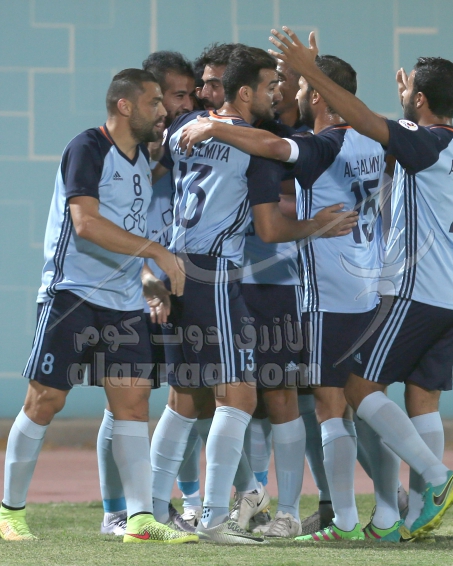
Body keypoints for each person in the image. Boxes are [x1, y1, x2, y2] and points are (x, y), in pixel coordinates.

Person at [269, 27, 453, 540]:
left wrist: (311, 71)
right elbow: (381, 133)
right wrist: (404, 111)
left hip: (416, 290)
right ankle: (402, 518)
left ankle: (435, 478)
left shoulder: (422, 142)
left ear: (421, 100)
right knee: (423, 397)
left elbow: (363, 120)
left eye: (409, 92)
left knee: (358, 388)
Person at [149, 45, 357, 544]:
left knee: (184, 397)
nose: (277, 94)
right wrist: (316, 225)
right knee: (240, 395)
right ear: (245, 92)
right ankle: (214, 518)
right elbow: (269, 228)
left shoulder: (185, 127)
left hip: (176, 268)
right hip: (215, 272)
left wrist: (216, 126)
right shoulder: (256, 148)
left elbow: (173, 158)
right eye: (269, 86)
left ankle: (147, 513)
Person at [0, 68, 197, 545]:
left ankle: (140, 519)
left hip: (123, 304)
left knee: (133, 405)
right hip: (72, 296)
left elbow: (127, 227)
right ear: (125, 106)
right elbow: (85, 224)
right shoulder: (87, 147)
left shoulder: (143, 160)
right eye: (153, 102)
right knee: (46, 400)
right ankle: (9, 512)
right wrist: (156, 252)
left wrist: (146, 278)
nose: (162, 111)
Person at [96, 52, 196, 536]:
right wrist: (147, 281)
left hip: (174, 292)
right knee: (124, 407)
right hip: (134, 297)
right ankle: (116, 510)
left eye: (188, 95)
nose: (182, 105)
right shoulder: (123, 155)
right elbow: (112, 232)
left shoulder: (183, 150)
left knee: (184, 395)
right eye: (174, 96)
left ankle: (172, 503)